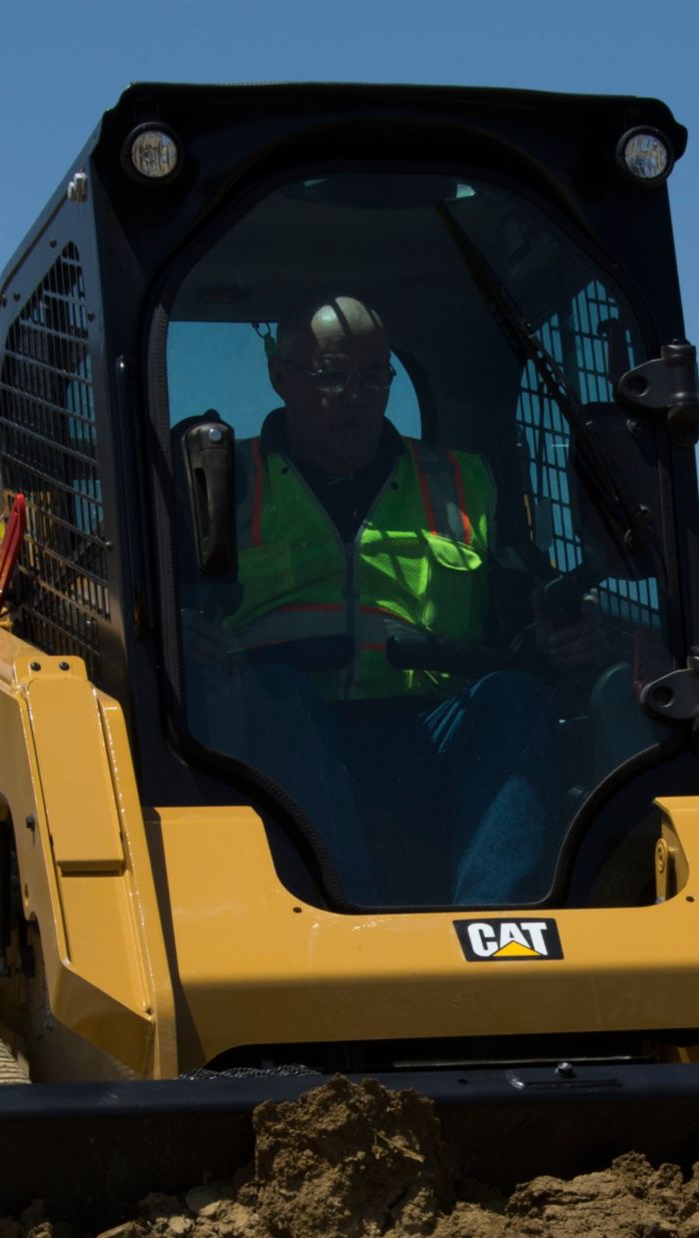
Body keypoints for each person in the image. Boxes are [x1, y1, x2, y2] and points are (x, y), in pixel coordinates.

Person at [201, 295, 592, 907]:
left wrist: (550, 639)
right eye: (331, 376)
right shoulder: (224, 483)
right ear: (281, 377)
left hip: (423, 732)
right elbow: (162, 603)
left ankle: (496, 932)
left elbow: (520, 618)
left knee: (515, 699)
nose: (354, 395)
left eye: (373, 377)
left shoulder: (464, 483)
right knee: (277, 693)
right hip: (280, 744)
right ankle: (348, 916)